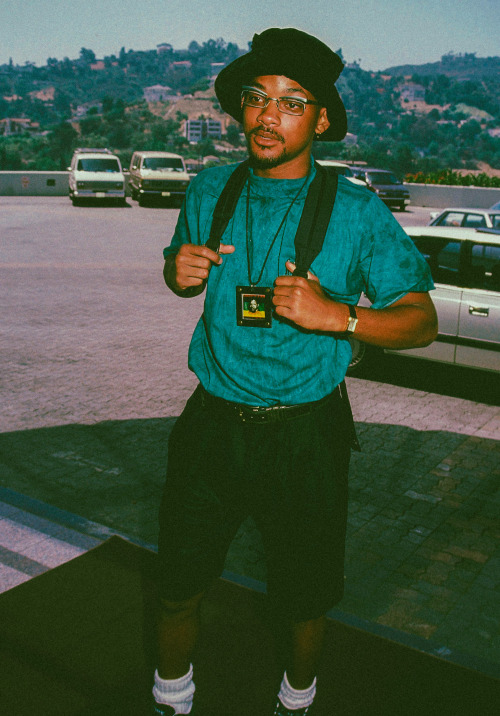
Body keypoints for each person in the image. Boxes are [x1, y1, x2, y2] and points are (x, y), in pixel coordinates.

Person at [153, 27, 437, 716]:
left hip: (307, 431)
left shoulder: (357, 209)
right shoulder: (209, 189)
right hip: (213, 420)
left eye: (290, 101)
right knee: (176, 580)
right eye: (256, 97)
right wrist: (176, 272)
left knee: (305, 593)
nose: (266, 114)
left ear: (320, 120)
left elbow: (421, 320)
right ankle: (171, 696)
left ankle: (297, 699)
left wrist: (338, 317)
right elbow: (180, 270)